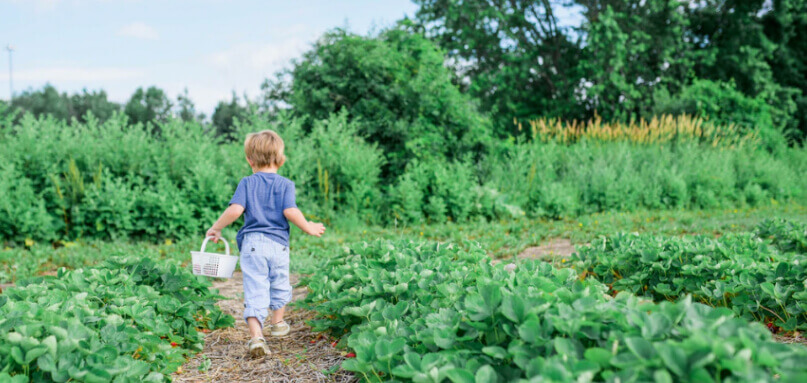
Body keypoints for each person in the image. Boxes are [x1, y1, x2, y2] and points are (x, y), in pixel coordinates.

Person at [206, 129, 326, 358]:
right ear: (280, 159)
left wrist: (217, 227)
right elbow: (290, 211)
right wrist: (308, 226)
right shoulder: (285, 184)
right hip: (278, 245)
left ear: (249, 160)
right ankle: (278, 322)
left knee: (255, 288)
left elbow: (235, 210)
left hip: (252, 245)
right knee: (280, 282)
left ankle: (256, 337)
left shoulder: (247, 182)